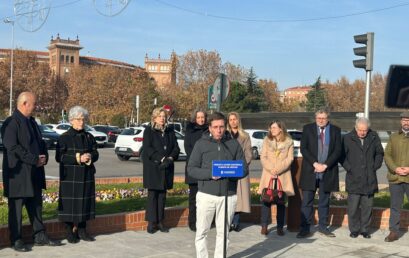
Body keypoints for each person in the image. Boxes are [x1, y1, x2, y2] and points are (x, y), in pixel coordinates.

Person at [1, 92, 59, 252]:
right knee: (16, 209)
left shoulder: (33, 122)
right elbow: (12, 148)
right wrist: (34, 159)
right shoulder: (11, 123)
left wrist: (44, 157)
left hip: (35, 173)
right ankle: (16, 239)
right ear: (24, 104)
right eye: (34, 104)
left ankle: (40, 235)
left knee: (36, 206)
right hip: (18, 175)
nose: (36, 107)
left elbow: (41, 143)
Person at [188, 111, 248, 258]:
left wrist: (232, 172)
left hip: (228, 195)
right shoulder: (201, 144)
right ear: (209, 127)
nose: (219, 130)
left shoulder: (233, 144)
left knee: (223, 233)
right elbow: (191, 169)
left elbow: (244, 168)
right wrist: (210, 174)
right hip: (206, 195)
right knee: (202, 232)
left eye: (221, 126)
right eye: (215, 127)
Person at [55, 106, 99, 243]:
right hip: (70, 177)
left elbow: (96, 153)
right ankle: (69, 231)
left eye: (83, 119)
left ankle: (82, 230)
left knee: (85, 202)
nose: (81, 122)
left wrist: (90, 155)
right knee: (69, 204)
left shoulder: (89, 136)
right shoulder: (64, 138)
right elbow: (59, 157)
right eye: (78, 119)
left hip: (86, 175)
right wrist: (77, 158)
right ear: (71, 120)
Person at [297, 109, 342, 238]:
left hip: (327, 172)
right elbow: (303, 148)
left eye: (323, 118)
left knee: (324, 202)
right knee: (307, 202)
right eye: (318, 118)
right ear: (315, 118)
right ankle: (305, 229)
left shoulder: (335, 130)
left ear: (328, 118)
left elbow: (338, 150)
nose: (321, 120)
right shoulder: (307, 129)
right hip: (311, 171)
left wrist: (325, 165)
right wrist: (315, 164)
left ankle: (323, 227)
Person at [341, 117, 384, 239]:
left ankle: (365, 229)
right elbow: (342, 156)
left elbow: (379, 153)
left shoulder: (374, 136)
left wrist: (375, 166)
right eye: (360, 130)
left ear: (368, 129)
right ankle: (354, 230)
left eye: (365, 130)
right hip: (353, 178)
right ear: (356, 128)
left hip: (369, 178)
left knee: (367, 207)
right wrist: (349, 168)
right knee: (353, 207)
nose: (362, 132)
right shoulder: (348, 138)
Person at [142, 107, 180, 234]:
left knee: (162, 196)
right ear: (154, 118)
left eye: (164, 116)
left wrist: (170, 158)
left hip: (166, 167)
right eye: (160, 116)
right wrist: (161, 158)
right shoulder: (149, 131)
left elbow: (176, 148)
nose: (162, 119)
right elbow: (148, 148)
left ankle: (160, 221)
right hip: (154, 167)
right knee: (153, 195)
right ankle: (151, 222)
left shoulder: (169, 130)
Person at [258, 120, 295, 236]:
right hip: (268, 175)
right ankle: (264, 226)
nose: (272, 130)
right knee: (266, 200)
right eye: (271, 128)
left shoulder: (289, 142)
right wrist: (271, 169)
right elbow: (263, 157)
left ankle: (280, 227)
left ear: (280, 129)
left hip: (282, 175)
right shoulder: (266, 140)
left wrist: (278, 170)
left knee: (280, 201)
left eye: (274, 127)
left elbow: (290, 159)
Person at [383, 111, 409, 242]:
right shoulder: (393, 137)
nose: (406, 122)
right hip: (396, 178)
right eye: (404, 119)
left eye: (408, 120)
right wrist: (396, 168)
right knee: (395, 206)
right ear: (401, 121)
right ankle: (394, 232)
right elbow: (387, 155)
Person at [226, 112, 252, 232]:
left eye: (235, 119)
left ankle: (235, 222)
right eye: (231, 119)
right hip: (226, 170)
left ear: (238, 121)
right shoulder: (224, 135)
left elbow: (248, 154)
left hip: (240, 170)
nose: (233, 122)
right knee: (228, 196)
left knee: (239, 198)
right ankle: (227, 222)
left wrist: (240, 167)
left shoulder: (245, 136)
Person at [184, 108, 208, 232]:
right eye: (198, 117)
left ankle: (205, 222)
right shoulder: (190, 130)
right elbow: (188, 149)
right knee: (193, 198)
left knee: (206, 198)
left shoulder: (209, 130)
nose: (201, 119)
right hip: (194, 168)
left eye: (202, 117)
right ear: (195, 118)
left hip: (206, 169)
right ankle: (192, 222)